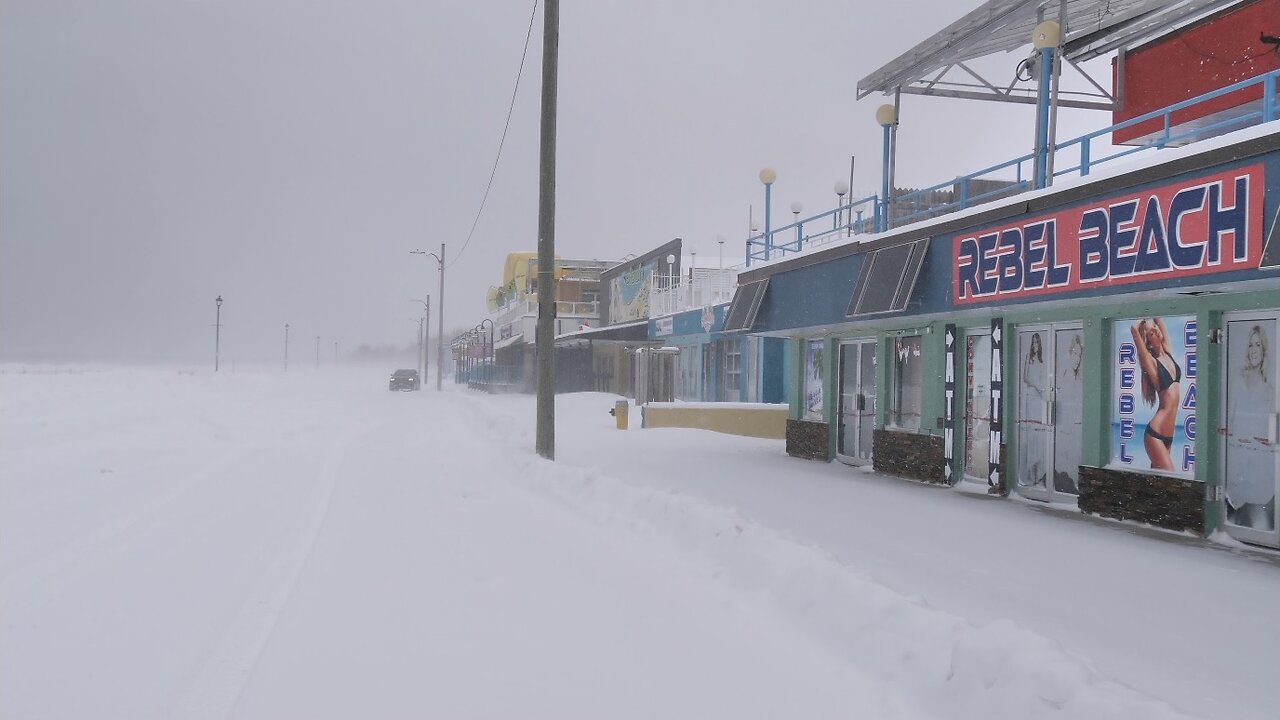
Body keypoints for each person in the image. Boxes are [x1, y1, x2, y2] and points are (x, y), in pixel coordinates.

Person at [1226, 324, 1275, 531]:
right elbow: (1228, 425)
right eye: (1250, 345)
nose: (1254, 350)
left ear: (1264, 350)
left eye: (1258, 344)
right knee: (1236, 520)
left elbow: (1271, 434)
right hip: (1237, 467)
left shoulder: (1270, 390)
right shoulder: (1238, 381)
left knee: (1257, 521)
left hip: (1260, 471)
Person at [1131, 317, 1180, 471]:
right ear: (1147, 342)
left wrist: (1152, 318)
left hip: (1168, 436)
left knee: (1159, 484)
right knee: (1171, 480)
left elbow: (1159, 319)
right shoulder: (1151, 363)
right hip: (1155, 435)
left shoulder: (1168, 352)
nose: (1156, 330)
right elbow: (1134, 329)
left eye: (1155, 328)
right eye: (1151, 332)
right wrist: (1142, 320)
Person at [1019, 332, 1047, 488]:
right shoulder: (1027, 358)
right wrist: (1036, 385)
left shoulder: (1042, 360)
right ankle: (1029, 474)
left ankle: (1038, 473)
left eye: (1037, 343)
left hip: (1039, 398)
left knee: (1038, 436)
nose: (1035, 345)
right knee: (1031, 436)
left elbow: (1045, 378)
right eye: (1033, 342)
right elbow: (1025, 377)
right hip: (1031, 396)